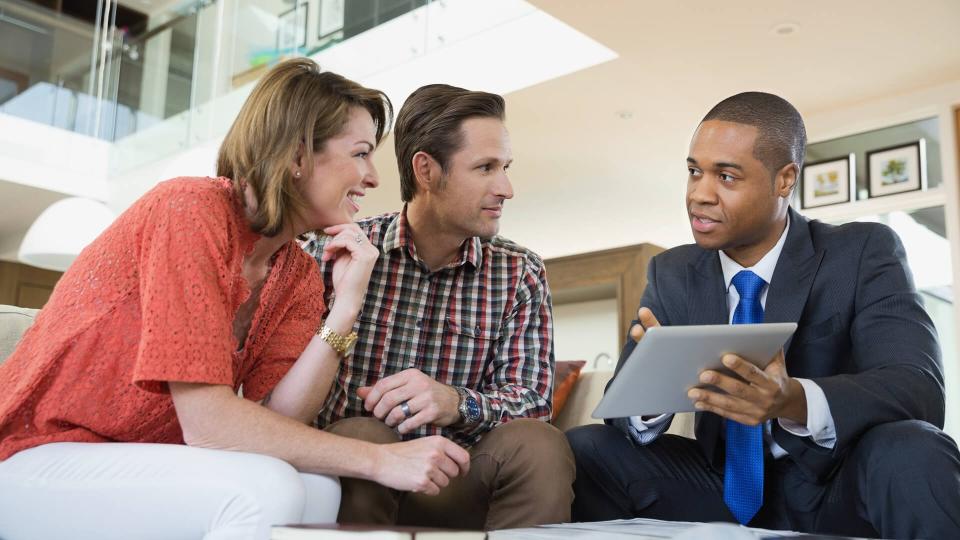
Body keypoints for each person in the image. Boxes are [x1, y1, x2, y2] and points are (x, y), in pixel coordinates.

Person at [0, 58, 470, 540]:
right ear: (295, 156)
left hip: (138, 459)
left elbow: (277, 422)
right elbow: (209, 423)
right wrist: (379, 460)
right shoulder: (189, 209)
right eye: (360, 153)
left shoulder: (297, 272)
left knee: (317, 488)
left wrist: (346, 306)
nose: (372, 178)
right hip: (30, 452)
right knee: (264, 490)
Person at [566, 91, 960, 539]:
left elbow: (918, 388)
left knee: (913, 448)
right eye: (694, 171)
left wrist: (790, 398)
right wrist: (654, 386)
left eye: (726, 177)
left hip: (833, 483)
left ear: (784, 180)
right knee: (587, 447)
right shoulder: (673, 271)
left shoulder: (862, 251)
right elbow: (622, 409)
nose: (700, 194)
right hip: (717, 485)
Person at [303, 84, 574, 530]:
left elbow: (532, 403)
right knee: (362, 430)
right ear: (426, 170)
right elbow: (290, 398)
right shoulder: (335, 251)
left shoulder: (520, 272)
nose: (506, 188)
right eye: (485, 167)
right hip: (360, 472)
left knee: (538, 443)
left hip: (459, 479)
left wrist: (455, 403)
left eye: (504, 167)